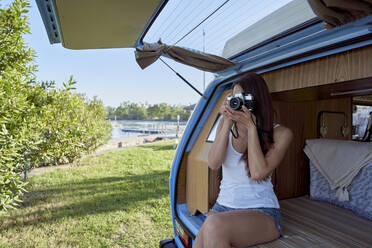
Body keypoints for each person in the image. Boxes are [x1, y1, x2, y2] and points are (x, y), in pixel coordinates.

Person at [193, 72, 293, 248]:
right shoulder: (226, 125)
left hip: (261, 210)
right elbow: (214, 164)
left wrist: (251, 128)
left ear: (256, 101)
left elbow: (257, 173)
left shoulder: (281, 133)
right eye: (234, 97)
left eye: (241, 98)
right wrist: (226, 121)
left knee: (214, 224)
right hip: (222, 206)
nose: (236, 102)